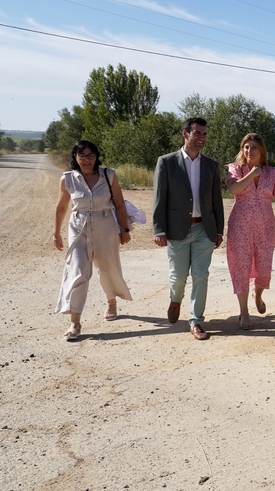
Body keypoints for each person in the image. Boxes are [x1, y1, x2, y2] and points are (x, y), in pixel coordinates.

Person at [152, 118, 225, 341]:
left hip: (204, 228)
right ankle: (175, 300)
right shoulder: (166, 162)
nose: (202, 138)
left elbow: (216, 201)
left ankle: (196, 321)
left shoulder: (211, 165)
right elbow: (159, 198)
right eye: (198, 133)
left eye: (204, 134)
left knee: (201, 276)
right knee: (178, 277)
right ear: (185, 134)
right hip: (176, 230)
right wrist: (159, 229)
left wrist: (219, 230)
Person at [53, 140, 133, 341]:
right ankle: (75, 322)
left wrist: (125, 229)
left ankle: (111, 301)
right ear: (75, 157)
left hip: (105, 225)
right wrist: (56, 232)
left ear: (96, 157)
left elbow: (120, 204)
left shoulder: (108, 175)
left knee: (108, 267)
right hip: (78, 228)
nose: (87, 160)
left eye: (90, 155)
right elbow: (62, 207)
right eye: (82, 155)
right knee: (79, 271)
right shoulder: (68, 179)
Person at [225, 133, 275, 330]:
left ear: (261, 151)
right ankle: (244, 313)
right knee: (241, 268)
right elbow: (235, 189)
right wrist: (251, 174)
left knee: (264, 269)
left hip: (265, 227)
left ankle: (258, 294)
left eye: (254, 147)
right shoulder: (235, 169)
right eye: (246, 147)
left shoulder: (272, 173)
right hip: (240, 227)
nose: (249, 151)